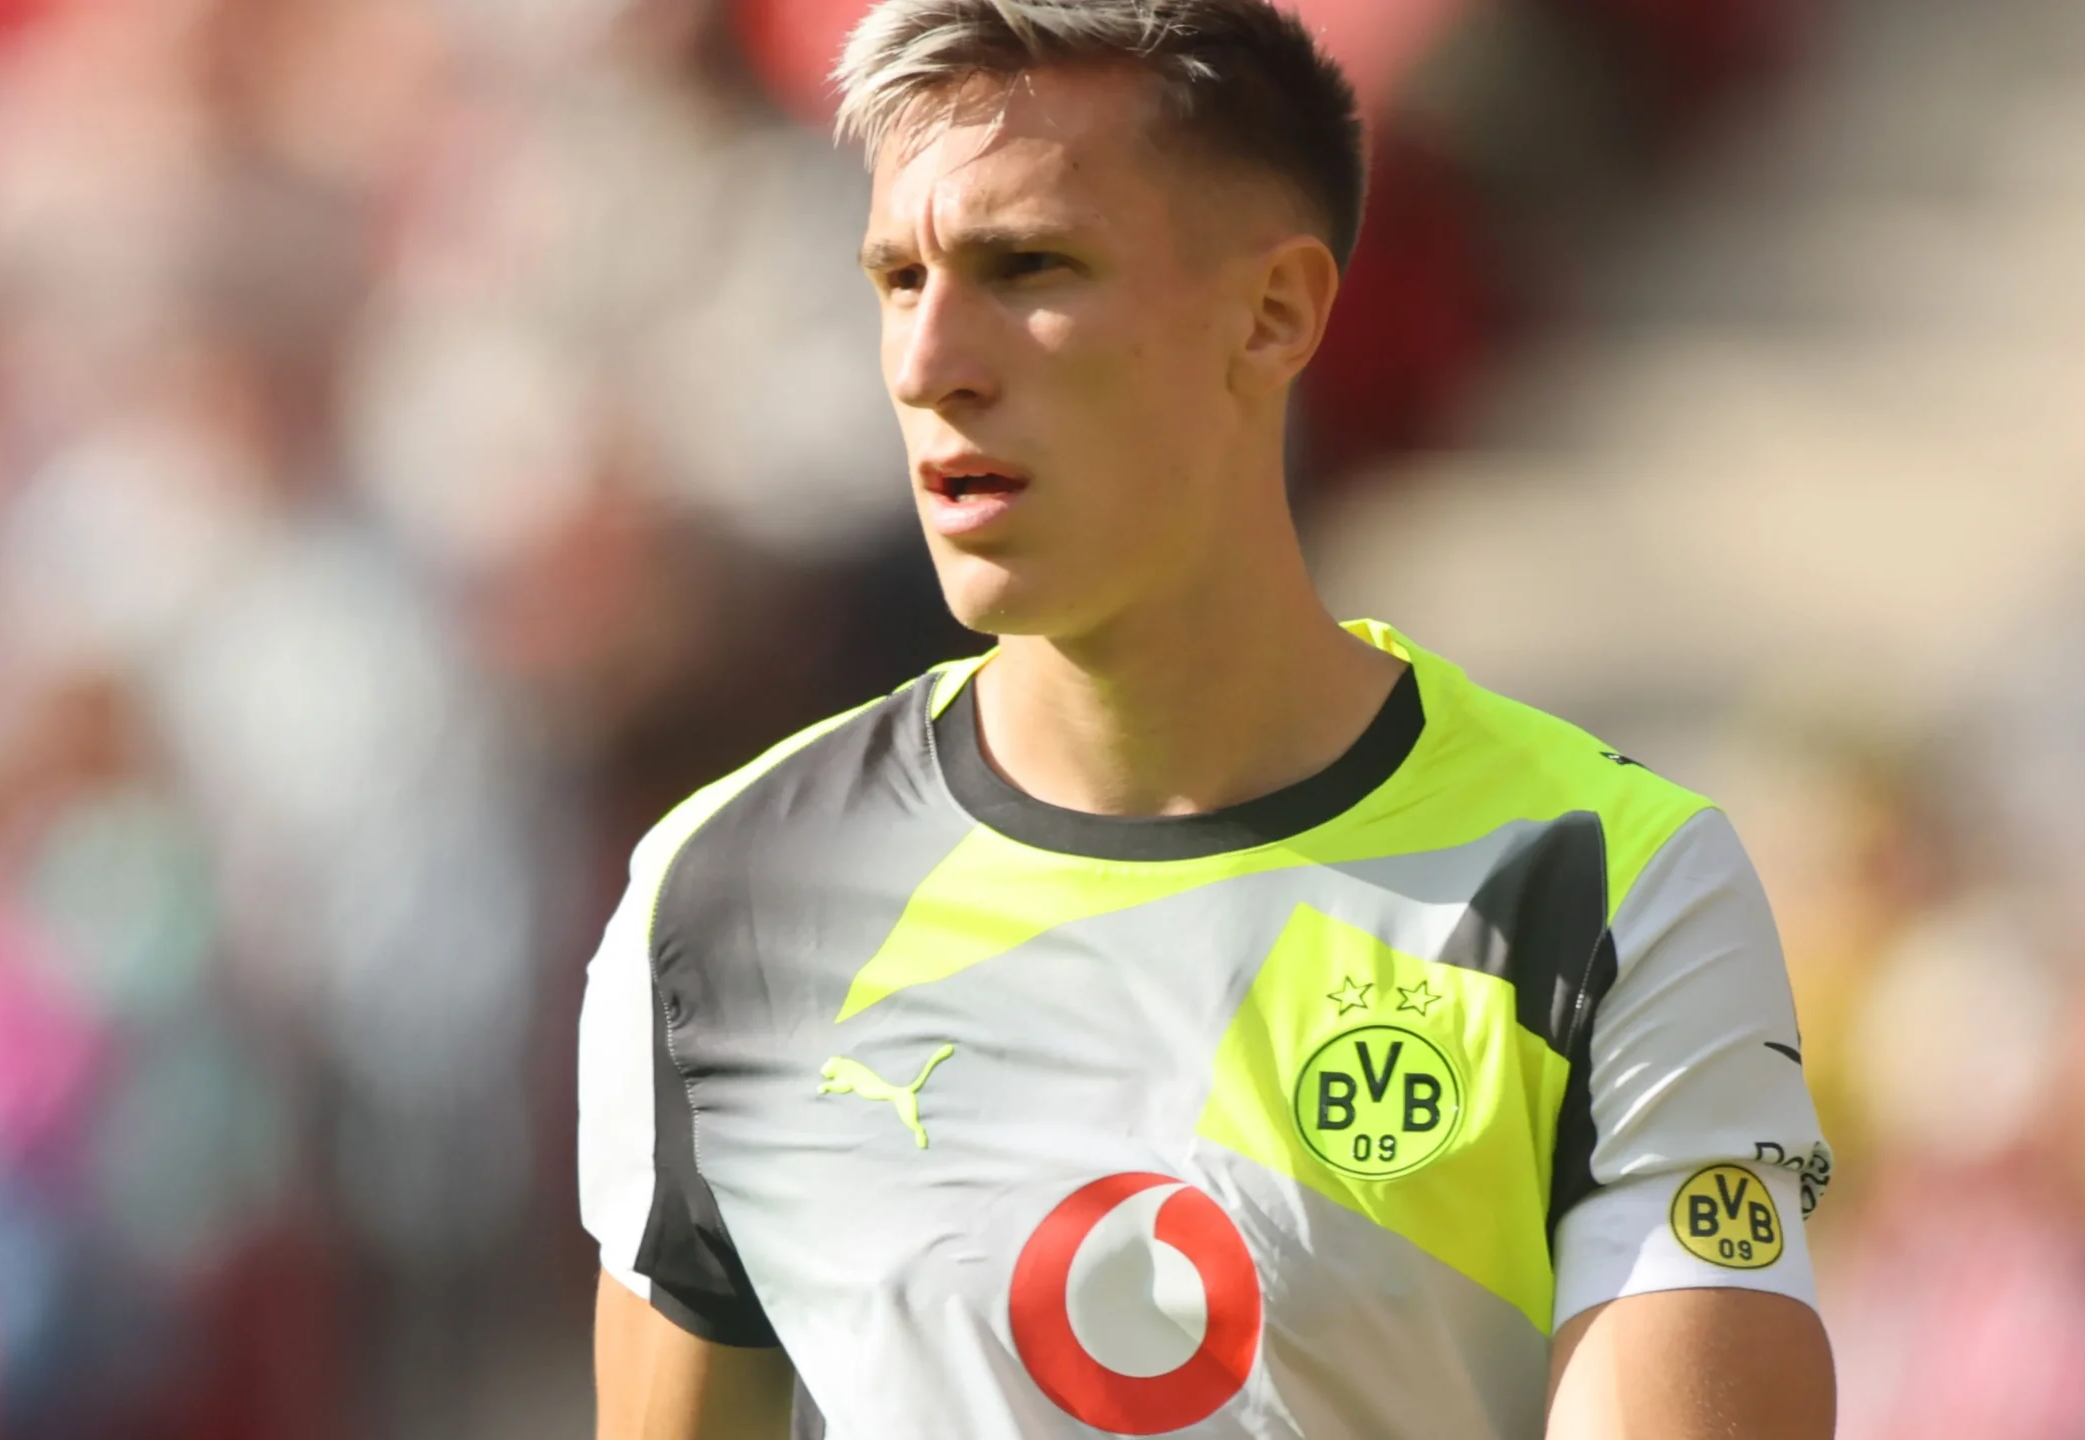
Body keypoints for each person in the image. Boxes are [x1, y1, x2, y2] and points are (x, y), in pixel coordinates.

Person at [578, 1, 1836, 1435]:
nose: (929, 362)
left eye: (1028, 266)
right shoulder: (725, 900)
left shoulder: (1605, 890)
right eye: (898, 278)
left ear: (1275, 312)